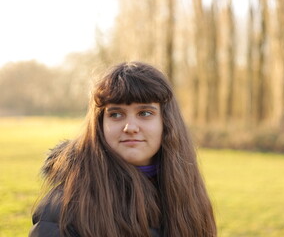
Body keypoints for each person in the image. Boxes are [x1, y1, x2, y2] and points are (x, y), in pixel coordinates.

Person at [29, 62, 217, 237]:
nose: (130, 127)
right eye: (116, 114)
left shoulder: (186, 191)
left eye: (145, 113)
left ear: (166, 122)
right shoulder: (67, 205)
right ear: (100, 125)